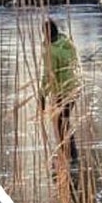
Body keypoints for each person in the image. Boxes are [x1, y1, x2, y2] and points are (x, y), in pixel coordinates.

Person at [40, 19, 80, 165]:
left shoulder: (51, 51)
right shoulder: (67, 44)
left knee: (61, 122)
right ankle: (69, 154)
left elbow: (48, 76)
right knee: (63, 120)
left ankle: (70, 155)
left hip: (63, 90)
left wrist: (42, 95)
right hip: (74, 86)